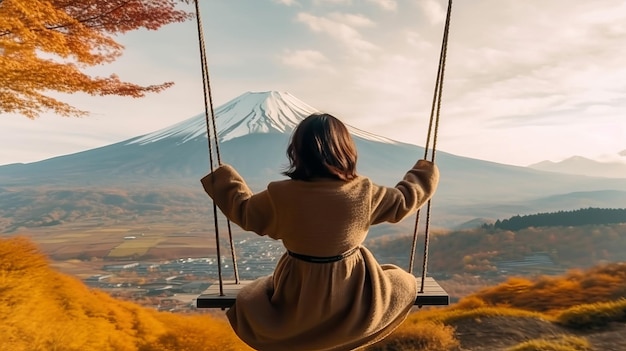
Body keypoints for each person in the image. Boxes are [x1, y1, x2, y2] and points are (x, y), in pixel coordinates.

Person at [201, 113, 439, 351]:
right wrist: (424, 173)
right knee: (403, 282)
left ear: (297, 151)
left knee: (252, 298)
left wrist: (224, 180)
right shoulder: (363, 192)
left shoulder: (281, 195)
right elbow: (404, 200)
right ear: (346, 150)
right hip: (352, 298)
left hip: (297, 293)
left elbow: (244, 211)